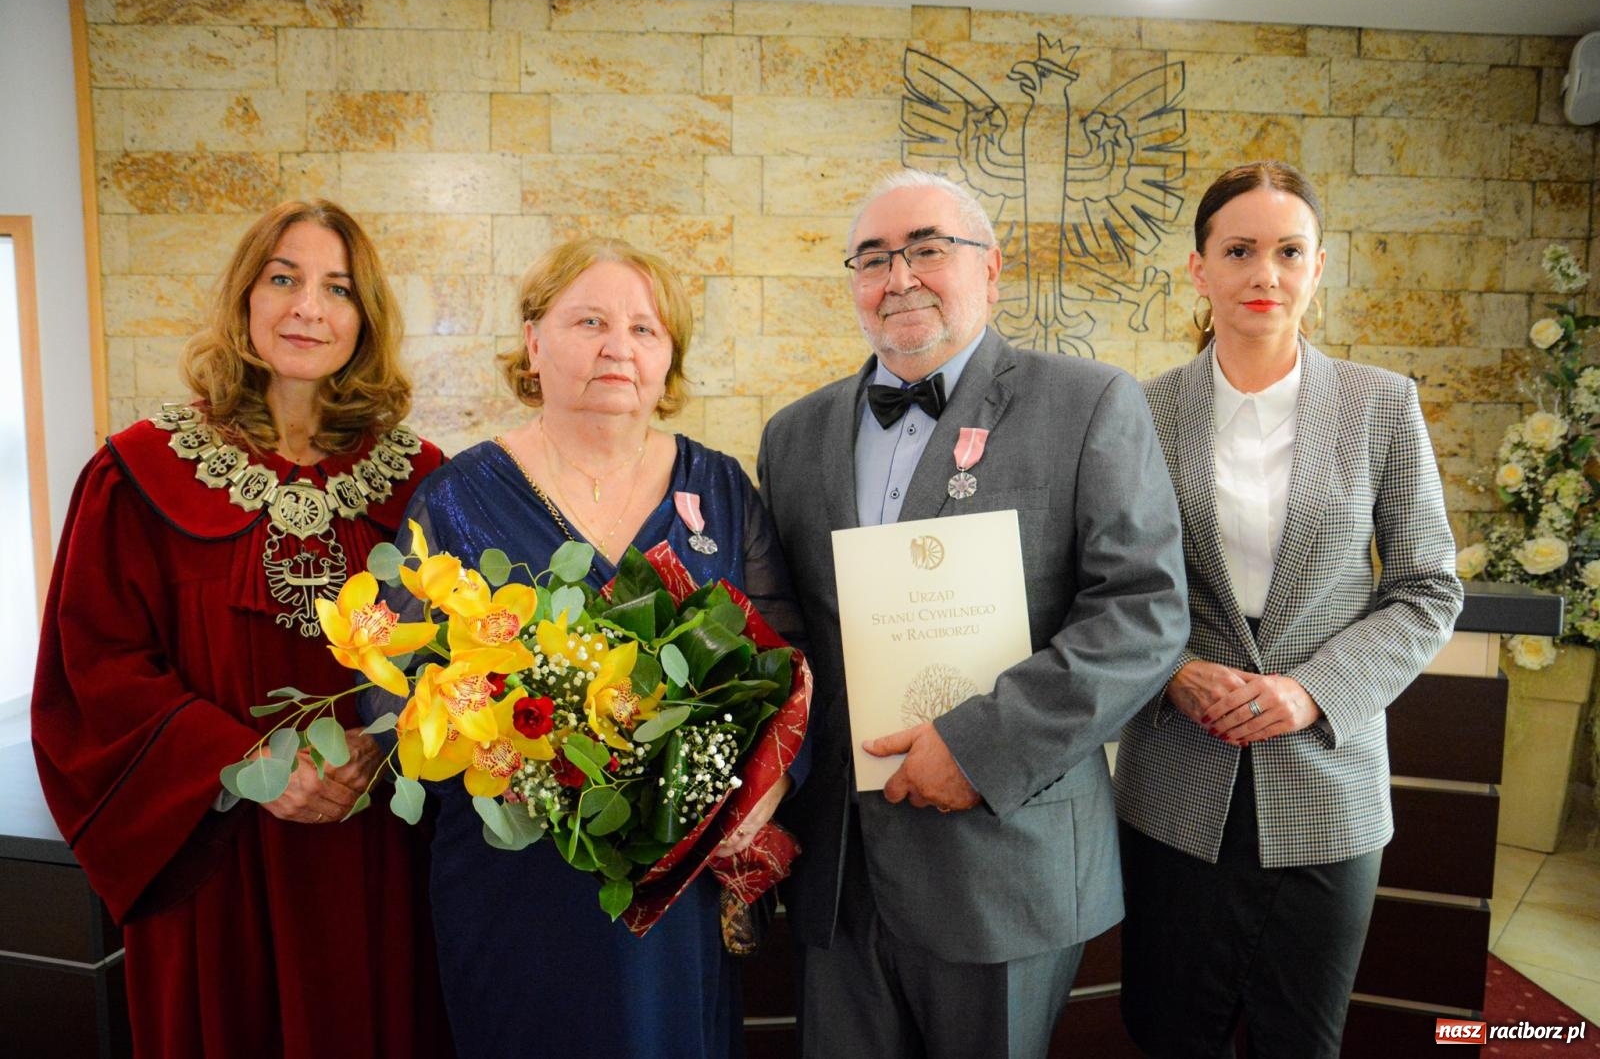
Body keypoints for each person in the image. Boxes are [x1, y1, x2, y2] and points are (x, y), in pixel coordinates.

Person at [757, 168, 1190, 1058]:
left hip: (1002, 851)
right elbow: (787, 632)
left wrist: (980, 746)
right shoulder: (792, 436)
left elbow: (1142, 613)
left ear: (990, 271)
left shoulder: (1090, 402)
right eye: (873, 258)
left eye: (926, 248)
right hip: (838, 867)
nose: (899, 277)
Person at [31, 199, 452, 1057]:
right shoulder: (136, 472)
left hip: (371, 854)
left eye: (338, 289)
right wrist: (249, 763)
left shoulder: (423, 479)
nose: (308, 308)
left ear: (364, 319)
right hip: (215, 854)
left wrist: (387, 744)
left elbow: (453, 654)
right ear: (244, 299)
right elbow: (94, 667)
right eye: (284, 279)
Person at [383, 237, 804, 1058]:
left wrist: (747, 800)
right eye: (590, 321)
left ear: (669, 355)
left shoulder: (720, 488)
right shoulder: (457, 497)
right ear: (535, 342)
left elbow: (783, 671)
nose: (620, 346)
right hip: (516, 875)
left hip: (676, 884)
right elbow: (401, 688)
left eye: (646, 328)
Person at [1114, 161, 1465, 1057]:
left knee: (1300, 1037)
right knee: (1168, 1031)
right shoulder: (1140, 411)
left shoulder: (1383, 404)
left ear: (1317, 267)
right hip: (1175, 775)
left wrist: (1311, 691)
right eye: (1239, 250)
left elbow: (1428, 585)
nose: (1263, 273)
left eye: (1288, 251)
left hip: (1327, 777)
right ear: (1200, 269)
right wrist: (1175, 670)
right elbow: (1111, 585)